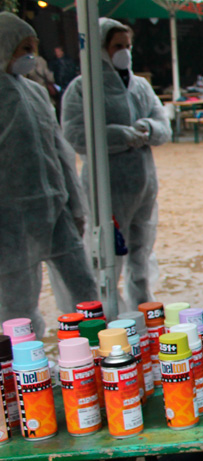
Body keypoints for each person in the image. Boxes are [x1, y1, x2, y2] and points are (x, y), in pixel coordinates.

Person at [62, 18, 171, 312]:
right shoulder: (82, 88)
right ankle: (111, 313)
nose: (125, 52)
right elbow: (74, 134)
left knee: (141, 250)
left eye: (128, 46)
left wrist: (148, 129)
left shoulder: (141, 87)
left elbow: (164, 127)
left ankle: (142, 307)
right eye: (117, 46)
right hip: (106, 186)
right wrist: (120, 135)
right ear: (100, 48)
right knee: (109, 254)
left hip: (144, 183)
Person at [0, 12, 98, 334]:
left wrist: (76, 206)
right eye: (23, 48)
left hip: (57, 211)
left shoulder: (38, 93)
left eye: (33, 47)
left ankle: (91, 350)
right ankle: (26, 370)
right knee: (18, 306)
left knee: (83, 288)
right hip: (11, 219)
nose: (31, 56)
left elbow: (61, 153)